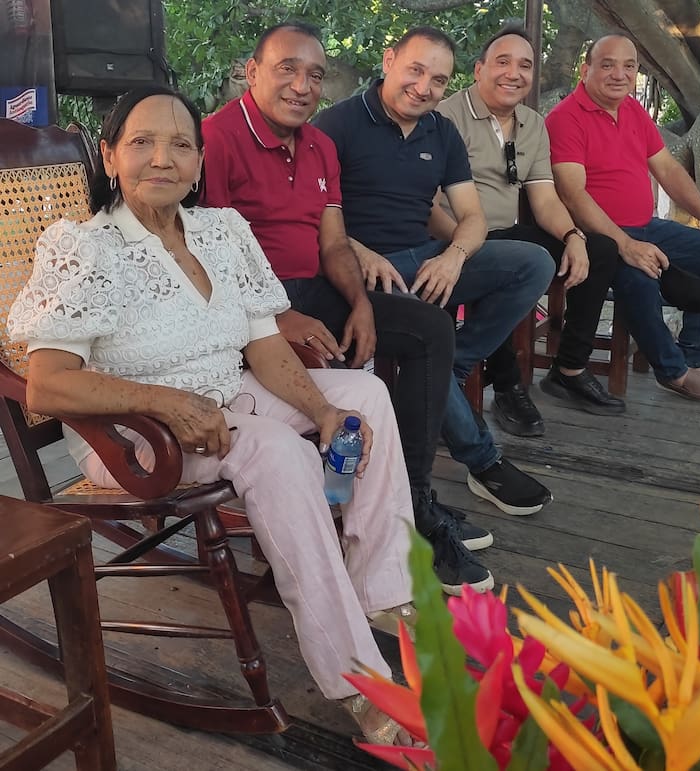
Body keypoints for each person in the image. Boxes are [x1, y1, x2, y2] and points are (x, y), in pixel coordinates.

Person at [7, 85, 418, 746]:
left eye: (181, 144)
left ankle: (380, 587)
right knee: (276, 452)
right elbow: (47, 388)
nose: (162, 158)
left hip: (228, 395)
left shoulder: (221, 231)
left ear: (200, 161)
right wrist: (163, 402)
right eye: (142, 142)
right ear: (110, 156)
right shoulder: (85, 248)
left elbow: (265, 345)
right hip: (132, 437)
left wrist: (323, 409)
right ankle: (356, 678)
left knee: (362, 398)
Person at [201, 21, 495, 595]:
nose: (302, 86)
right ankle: (342, 509)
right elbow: (206, 252)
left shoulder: (318, 145)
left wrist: (360, 302)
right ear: (252, 72)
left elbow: (334, 242)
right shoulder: (217, 137)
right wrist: (275, 317)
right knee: (349, 370)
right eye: (287, 69)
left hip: (317, 288)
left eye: (314, 75)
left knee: (428, 327)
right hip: (248, 304)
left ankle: (414, 499)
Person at [312, 27, 555, 513]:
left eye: (439, 80)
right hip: (359, 270)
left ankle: (456, 362)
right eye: (416, 70)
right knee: (429, 333)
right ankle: (483, 461)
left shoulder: (440, 131)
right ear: (389, 61)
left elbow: (472, 217)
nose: (424, 87)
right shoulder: (337, 124)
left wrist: (453, 256)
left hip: (423, 258)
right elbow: (310, 212)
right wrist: (358, 252)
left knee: (534, 261)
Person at [434, 25, 625, 437]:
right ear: (479, 69)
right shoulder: (446, 117)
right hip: (453, 236)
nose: (513, 73)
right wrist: (464, 245)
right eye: (502, 62)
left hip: (509, 234)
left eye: (524, 65)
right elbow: (427, 204)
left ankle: (569, 368)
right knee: (506, 266)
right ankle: (507, 387)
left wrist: (573, 237)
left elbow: (545, 199)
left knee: (601, 249)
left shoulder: (533, 123)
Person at [545, 34, 700, 402]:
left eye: (629, 66)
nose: (619, 74)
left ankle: (693, 357)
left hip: (646, 227)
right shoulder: (565, 118)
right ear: (585, 70)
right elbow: (573, 195)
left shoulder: (632, 110)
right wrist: (626, 244)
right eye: (607, 65)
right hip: (599, 238)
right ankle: (673, 372)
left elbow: (668, 170)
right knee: (639, 280)